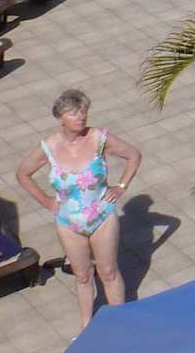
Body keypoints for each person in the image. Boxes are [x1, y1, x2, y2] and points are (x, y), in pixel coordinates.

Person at [18, 91, 141, 333]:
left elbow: (134, 155)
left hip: (102, 216)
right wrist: (46, 201)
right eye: (73, 113)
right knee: (82, 276)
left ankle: (122, 322)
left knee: (108, 272)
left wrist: (121, 185)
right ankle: (86, 326)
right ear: (60, 118)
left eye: (83, 111)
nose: (81, 116)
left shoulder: (99, 138)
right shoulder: (49, 147)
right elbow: (22, 173)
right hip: (68, 222)